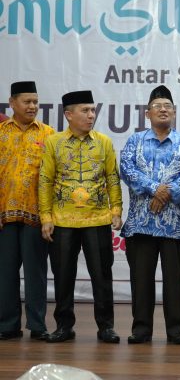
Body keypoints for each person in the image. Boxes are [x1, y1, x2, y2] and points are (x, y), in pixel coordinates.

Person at [39, 90, 123, 343]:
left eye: (93, 110)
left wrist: (116, 210)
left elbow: (112, 178)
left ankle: (105, 327)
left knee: (102, 275)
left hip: (97, 219)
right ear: (68, 114)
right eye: (85, 110)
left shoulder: (104, 142)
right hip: (62, 220)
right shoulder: (54, 142)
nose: (91, 115)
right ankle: (64, 326)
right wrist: (45, 217)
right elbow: (45, 180)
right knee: (63, 276)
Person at [120, 85, 180, 344]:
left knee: (176, 282)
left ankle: (175, 331)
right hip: (141, 224)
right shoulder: (135, 141)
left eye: (168, 106)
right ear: (147, 113)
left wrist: (167, 193)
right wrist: (156, 189)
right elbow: (127, 170)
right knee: (141, 280)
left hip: (176, 225)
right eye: (158, 106)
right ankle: (141, 329)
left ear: (174, 112)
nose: (163, 109)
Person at [0, 81, 54, 341]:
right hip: (4, 215)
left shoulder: (49, 135)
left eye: (35, 101)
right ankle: (8, 325)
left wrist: (49, 216)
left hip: (36, 215)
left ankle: (37, 325)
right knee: (5, 272)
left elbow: (53, 178)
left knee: (36, 273)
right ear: (12, 103)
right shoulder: (0, 133)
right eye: (27, 102)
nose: (33, 106)